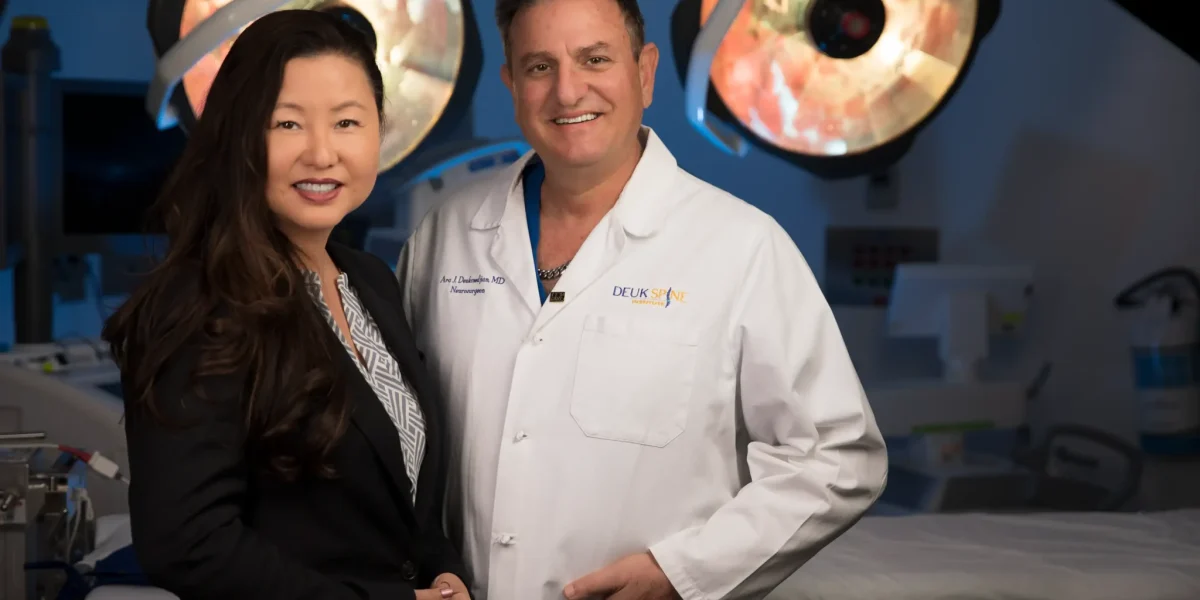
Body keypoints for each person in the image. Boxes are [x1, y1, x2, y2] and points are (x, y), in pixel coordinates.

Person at [396, 0, 889, 598]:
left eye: (595, 59)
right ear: (511, 85)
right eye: (539, 67)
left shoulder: (742, 246)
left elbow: (838, 458)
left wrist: (684, 573)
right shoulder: (444, 238)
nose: (568, 91)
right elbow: (398, 438)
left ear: (645, 72)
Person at [101, 10, 470, 600]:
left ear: (381, 129)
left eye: (347, 122)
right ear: (239, 136)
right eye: (287, 124)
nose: (322, 154)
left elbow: (400, 490)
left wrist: (443, 567)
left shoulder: (369, 281)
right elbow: (188, 543)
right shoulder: (200, 304)